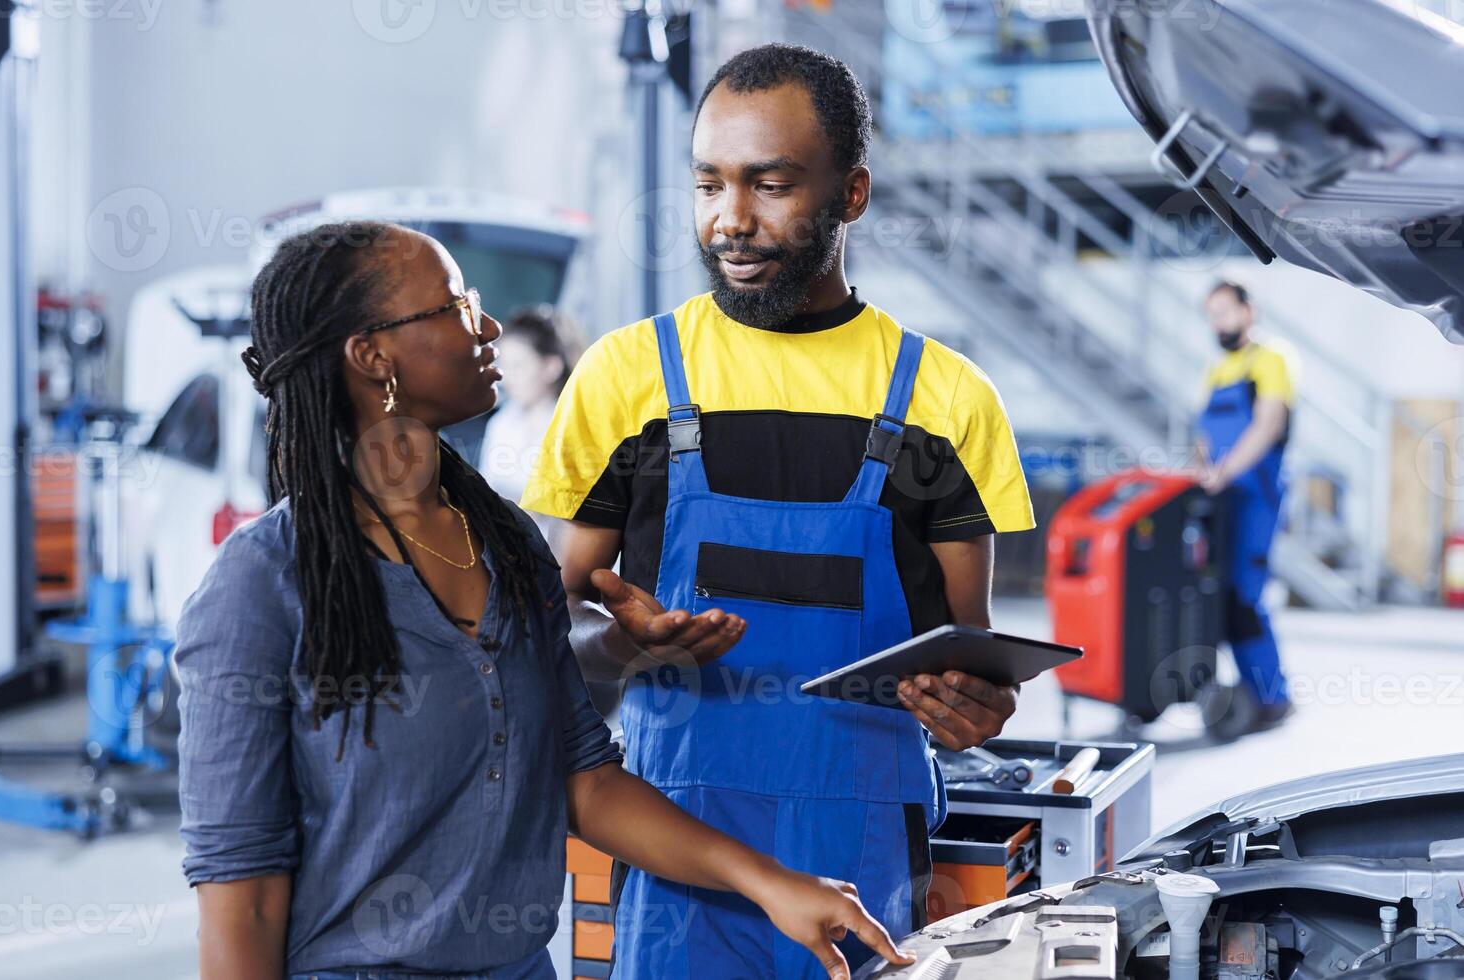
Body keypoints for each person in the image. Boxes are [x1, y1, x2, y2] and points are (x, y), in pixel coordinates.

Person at [174, 220, 916, 980]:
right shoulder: (263, 585)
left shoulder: (505, 544)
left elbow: (586, 780)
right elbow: (244, 898)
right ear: (374, 358)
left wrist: (773, 884)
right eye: (457, 306)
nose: (489, 325)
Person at [520, 45, 1035, 978]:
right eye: (709, 184)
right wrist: (630, 645)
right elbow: (553, 635)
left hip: (866, 846)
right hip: (677, 841)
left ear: (852, 194)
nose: (731, 221)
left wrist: (976, 710)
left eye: (771, 185)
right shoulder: (625, 379)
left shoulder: (949, 402)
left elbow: (971, 660)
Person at [1196, 280, 1296, 732]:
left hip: (1255, 497)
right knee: (1218, 594)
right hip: (1220, 499)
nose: (1219, 322)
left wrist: (1226, 471)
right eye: (1212, 314)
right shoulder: (1218, 370)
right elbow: (1202, 435)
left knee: (1245, 596)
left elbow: (1269, 424)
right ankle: (1245, 696)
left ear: (1248, 312)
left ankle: (1273, 699)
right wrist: (1199, 472)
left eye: (1226, 311)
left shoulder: (1270, 360)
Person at [477, 305, 577, 553]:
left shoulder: (572, 426)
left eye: (519, 366)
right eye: (505, 366)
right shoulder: (501, 423)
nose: (506, 378)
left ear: (551, 367)